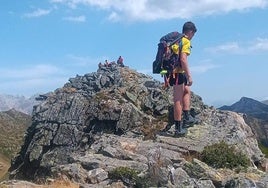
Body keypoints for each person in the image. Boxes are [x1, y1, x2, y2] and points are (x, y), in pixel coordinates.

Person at [163, 21, 197, 136]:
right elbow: (183, 59)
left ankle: (187, 117)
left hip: (171, 73)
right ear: (191, 32)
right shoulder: (185, 41)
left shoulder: (175, 41)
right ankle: (178, 129)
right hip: (177, 73)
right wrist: (189, 76)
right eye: (193, 34)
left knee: (186, 90)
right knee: (178, 99)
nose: (193, 37)